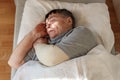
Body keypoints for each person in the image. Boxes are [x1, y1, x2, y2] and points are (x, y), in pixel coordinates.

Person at [8, 9, 97, 69]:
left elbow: (52, 58)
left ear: (69, 21)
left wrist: (38, 44)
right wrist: (33, 34)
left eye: (52, 20)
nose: (48, 25)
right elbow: (14, 62)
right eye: (46, 24)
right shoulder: (43, 42)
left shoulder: (82, 33)